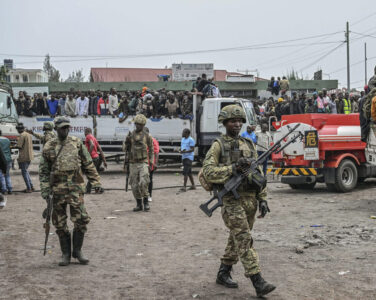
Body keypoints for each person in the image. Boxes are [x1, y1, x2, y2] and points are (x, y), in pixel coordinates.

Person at [202, 104, 275, 297]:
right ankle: (257, 280)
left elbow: (258, 174)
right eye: (232, 121)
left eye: (239, 120)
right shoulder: (218, 145)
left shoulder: (249, 144)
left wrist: (263, 199)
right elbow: (208, 172)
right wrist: (232, 169)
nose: (236, 124)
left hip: (250, 200)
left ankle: (223, 272)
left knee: (236, 238)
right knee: (243, 238)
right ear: (224, 122)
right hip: (230, 200)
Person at [39, 116, 103, 266]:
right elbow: (43, 172)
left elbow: (88, 164)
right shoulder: (49, 146)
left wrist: (96, 182)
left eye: (67, 127)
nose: (65, 130)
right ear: (56, 129)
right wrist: (45, 190)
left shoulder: (76, 143)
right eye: (62, 127)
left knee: (81, 220)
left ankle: (78, 251)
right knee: (60, 223)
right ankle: (66, 253)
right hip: (57, 191)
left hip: (75, 189)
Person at [123, 114, 154, 212]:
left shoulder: (147, 136)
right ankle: (139, 203)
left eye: (140, 124)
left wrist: (151, 162)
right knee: (134, 184)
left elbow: (151, 149)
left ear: (143, 125)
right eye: (137, 124)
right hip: (133, 163)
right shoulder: (130, 135)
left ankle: (146, 202)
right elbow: (124, 149)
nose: (138, 126)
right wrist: (127, 142)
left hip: (143, 162)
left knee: (144, 182)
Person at [84, 128, 107, 193]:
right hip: (97, 158)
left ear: (87, 132)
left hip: (92, 158)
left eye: (84, 132)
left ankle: (96, 188)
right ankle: (93, 188)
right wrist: (104, 161)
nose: (84, 134)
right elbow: (100, 150)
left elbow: (92, 145)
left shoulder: (88, 137)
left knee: (90, 174)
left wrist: (88, 155)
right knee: (93, 174)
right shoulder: (94, 138)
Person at [15, 123, 34, 193]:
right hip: (29, 156)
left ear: (19, 129)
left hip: (24, 156)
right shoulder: (28, 134)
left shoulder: (22, 135)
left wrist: (12, 146)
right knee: (26, 171)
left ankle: (29, 188)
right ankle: (31, 186)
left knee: (24, 172)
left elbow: (19, 146)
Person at [144, 127, 159, 202]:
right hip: (143, 163)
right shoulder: (142, 140)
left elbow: (156, 152)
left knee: (149, 180)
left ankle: (149, 195)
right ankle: (144, 195)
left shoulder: (153, 140)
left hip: (150, 163)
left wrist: (155, 163)